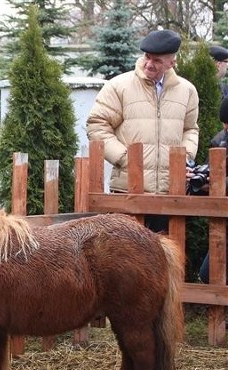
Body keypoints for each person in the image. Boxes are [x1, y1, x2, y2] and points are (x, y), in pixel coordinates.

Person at [86, 29, 199, 233]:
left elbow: (190, 129)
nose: (149, 64)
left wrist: (185, 157)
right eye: (147, 56)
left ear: (171, 62)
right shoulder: (119, 86)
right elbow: (97, 125)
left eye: (157, 60)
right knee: (123, 260)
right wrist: (125, 157)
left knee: (165, 259)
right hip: (126, 191)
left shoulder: (187, 90)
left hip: (169, 193)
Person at [195, 97, 228, 283]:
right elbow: (210, 172)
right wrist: (200, 181)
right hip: (223, 220)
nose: (225, 128)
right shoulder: (220, 141)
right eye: (224, 123)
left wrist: (220, 182)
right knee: (208, 275)